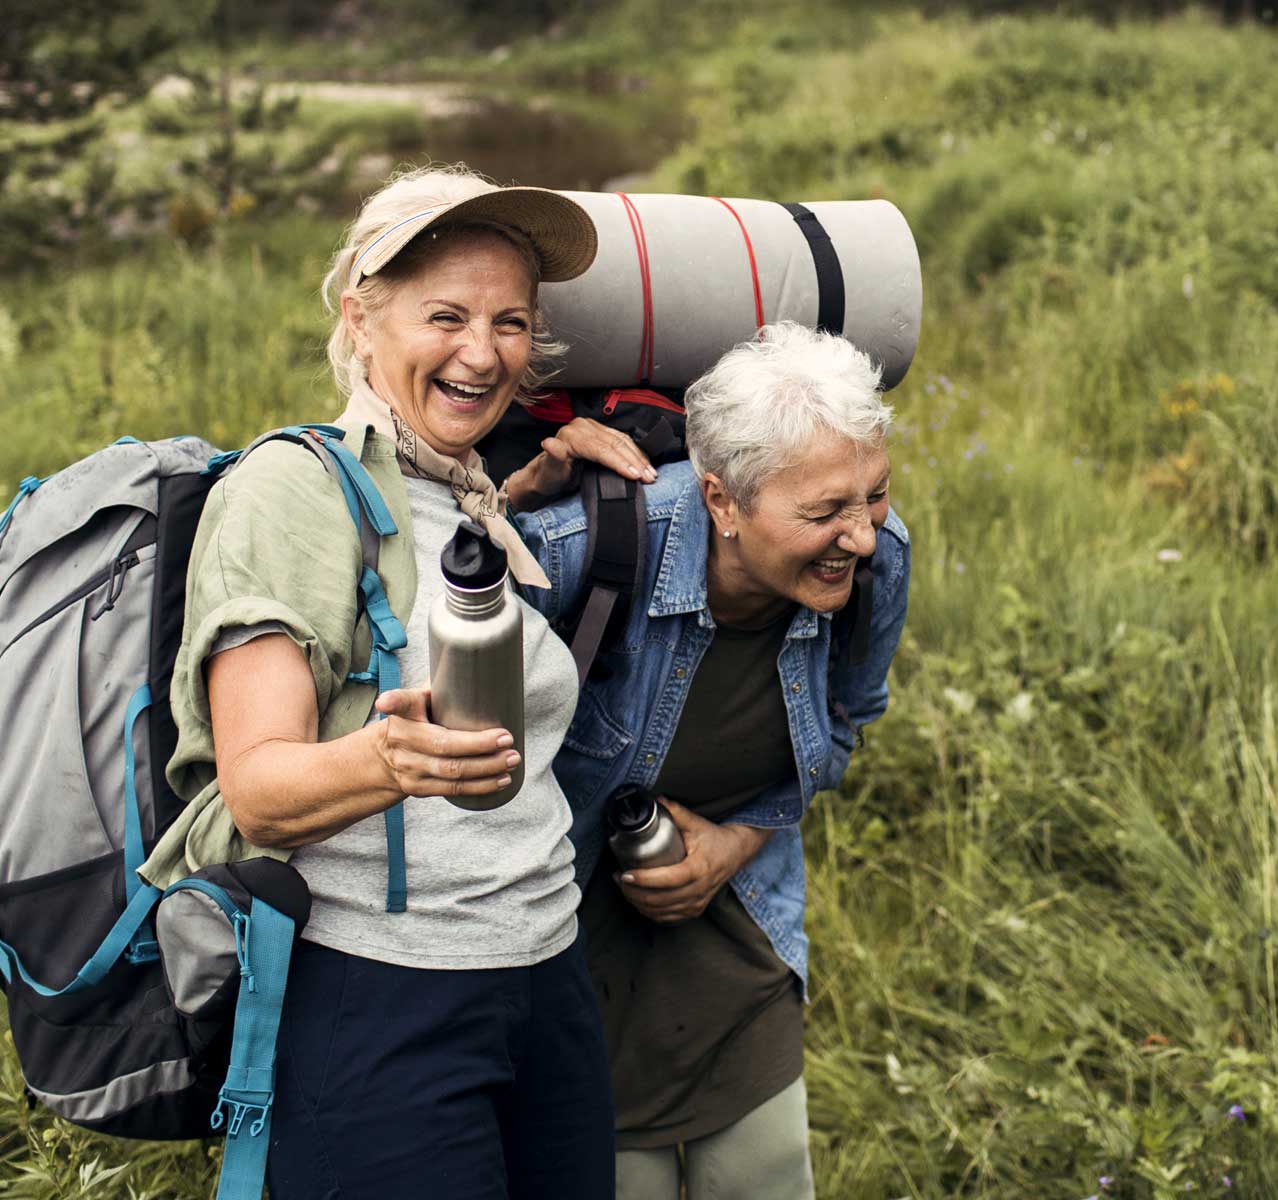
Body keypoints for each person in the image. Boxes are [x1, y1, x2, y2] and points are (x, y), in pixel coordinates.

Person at [141, 165, 653, 1199]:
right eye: (446, 315)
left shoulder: (465, 493)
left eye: (512, 322)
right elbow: (254, 784)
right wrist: (387, 759)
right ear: (360, 319)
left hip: (543, 975)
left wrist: (530, 493)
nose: (483, 352)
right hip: (379, 999)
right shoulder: (288, 492)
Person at [514, 321, 912, 1199]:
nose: (861, 537)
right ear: (722, 502)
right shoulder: (581, 555)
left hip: (738, 933)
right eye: (822, 513)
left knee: (766, 1180)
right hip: (569, 947)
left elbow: (846, 726)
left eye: (873, 495)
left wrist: (739, 842)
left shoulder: (875, 569)